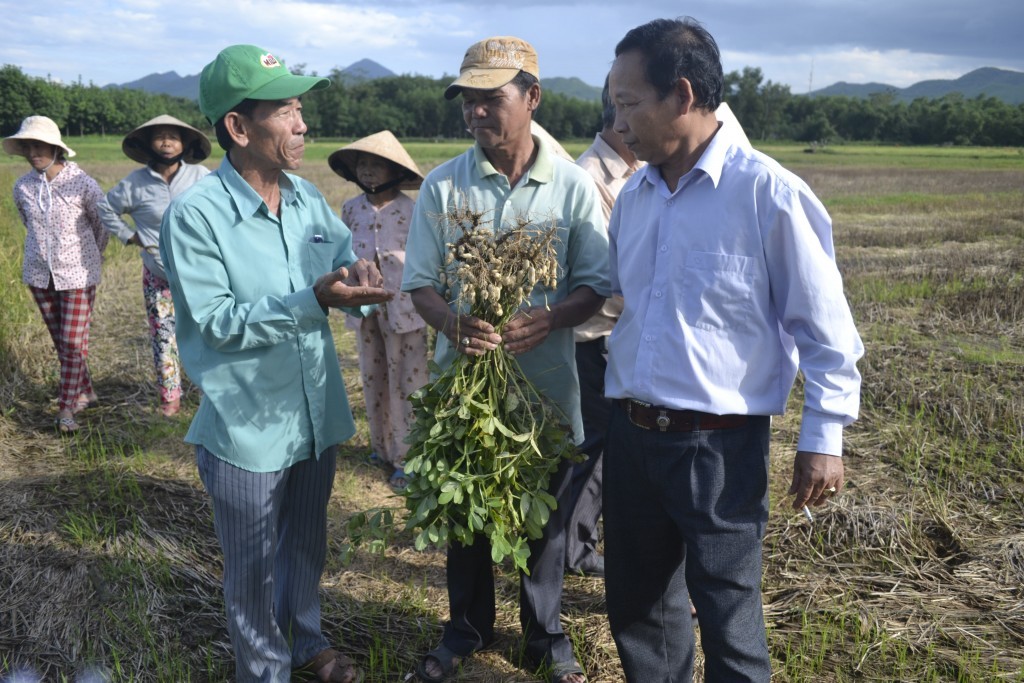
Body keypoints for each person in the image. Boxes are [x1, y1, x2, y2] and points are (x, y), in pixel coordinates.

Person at [602, 18, 864, 682]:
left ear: (682, 95)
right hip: (632, 435)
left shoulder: (767, 193)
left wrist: (823, 433)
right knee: (638, 610)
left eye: (629, 103)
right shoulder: (634, 195)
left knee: (729, 621)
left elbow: (826, 329)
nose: (617, 120)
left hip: (717, 448)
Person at [160, 44, 392, 683]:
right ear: (239, 128)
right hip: (247, 425)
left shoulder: (307, 200)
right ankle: (264, 669)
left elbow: (344, 267)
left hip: (313, 412)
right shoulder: (197, 216)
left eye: (300, 109)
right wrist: (315, 298)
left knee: (305, 544)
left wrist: (363, 281)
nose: (302, 124)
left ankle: (307, 640)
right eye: (286, 110)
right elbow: (216, 323)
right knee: (254, 566)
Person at [401, 36, 609, 683]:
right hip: (464, 388)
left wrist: (549, 317)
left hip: (544, 386)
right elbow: (420, 283)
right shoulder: (443, 186)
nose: (476, 114)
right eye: (468, 101)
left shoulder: (571, 186)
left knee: (542, 518)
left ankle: (545, 636)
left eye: (490, 99)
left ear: (532, 98)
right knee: (466, 513)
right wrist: (452, 322)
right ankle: (465, 628)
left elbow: (594, 283)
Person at [563, 76, 642, 579]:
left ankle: (578, 546)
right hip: (597, 338)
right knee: (588, 452)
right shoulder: (590, 177)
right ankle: (572, 548)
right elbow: (609, 277)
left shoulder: (643, 171)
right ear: (615, 113)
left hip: (624, 338)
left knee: (609, 456)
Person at [328, 130, 428, 490]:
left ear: (395, 170)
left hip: (405, 308)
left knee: (408, 380)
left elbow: (426, 258)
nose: (368, 171)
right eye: (363, 165)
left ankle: (409, 456)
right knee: (373, 376)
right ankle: (382, 447)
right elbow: (341, 252)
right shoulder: (352, 209)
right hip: (365, 307)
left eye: (376, 164)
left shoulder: (410, 209)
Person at [98, 114, 211, 417]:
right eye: (159, 136)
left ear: (185, 143)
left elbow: (220, 209)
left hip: (200, 274)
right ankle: (170, 396)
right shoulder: (135, 183)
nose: (166, 142)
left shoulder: (201, 176)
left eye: (172, 136)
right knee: (163, 335)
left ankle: (208, 391)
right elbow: (104, 208)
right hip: (158, 275)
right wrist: (128, 234)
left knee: (205, 331)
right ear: (148, 144)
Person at [4, 115, 108, 433]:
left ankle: (66, 410)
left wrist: (90, 258)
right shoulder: (22, 187)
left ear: (55, 148)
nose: (34, 152)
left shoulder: (83, 183)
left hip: (78, 272)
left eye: (40, 146)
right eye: (29, 146)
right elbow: (29, 225)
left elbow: (101, 224)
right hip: (39, 273)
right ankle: (85, 391)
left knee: (73, 341)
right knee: (61, 342)